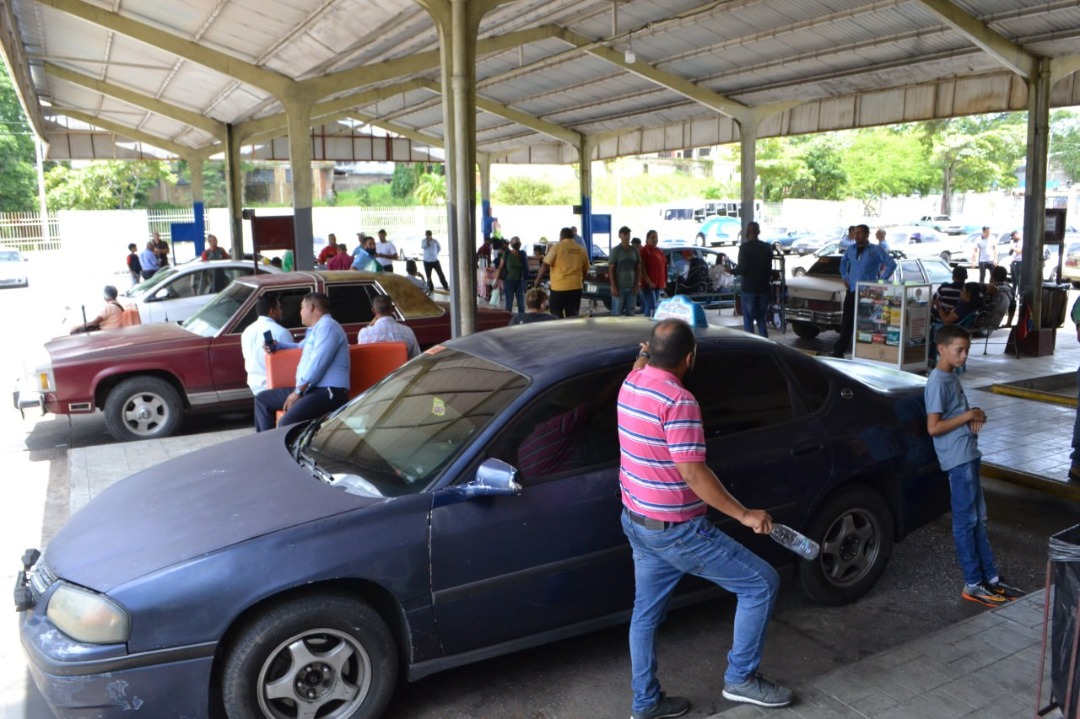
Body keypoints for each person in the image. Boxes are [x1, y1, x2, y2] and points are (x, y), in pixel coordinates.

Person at [618, 319, 793, 718]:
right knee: (761, 583)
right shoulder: (678, 401)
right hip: (677, 531)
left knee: (644, 616)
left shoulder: (632, 383)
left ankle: (646, 703)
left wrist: (643, 354)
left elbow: (638, 365)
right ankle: (741, 679)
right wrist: (745, 514)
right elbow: (694, 474)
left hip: (637, 521)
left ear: (651, 354)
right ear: (690, 358)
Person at [925, 324, 1023, 607]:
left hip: (968, 454)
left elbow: (960, 415)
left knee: (979, 520)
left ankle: (990, 579)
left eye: (967, 349)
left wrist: (974, 414)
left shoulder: (950, 376)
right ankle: (972, 582)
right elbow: (934, 427)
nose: (965, 355)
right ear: (942, 349)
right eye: (960, 350)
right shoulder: (937, 382)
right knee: (966, 522)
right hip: (958, 459)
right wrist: (969, 414)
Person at [253, 292, 350, 432]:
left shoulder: (328, 326)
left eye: (301, 307)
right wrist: (278, 345)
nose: (300, 312)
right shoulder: (317, 329)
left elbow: (318, 364)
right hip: (311, 389)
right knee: (262, 399)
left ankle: (285, 452)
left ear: (311, 307)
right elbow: (300, 346)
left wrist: (298, 392)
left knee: (286, 423)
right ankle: (266, 445)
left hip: (328, 391)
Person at [832, 224, 897, 357]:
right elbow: (843, 263)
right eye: (855, 233)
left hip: (868, 293)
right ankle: (838, 352)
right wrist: (844, 276)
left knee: (867, 323)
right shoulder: (850, 249)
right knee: (847, 322)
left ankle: (867, 353)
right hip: (852, 291)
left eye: (860, 233)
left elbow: (891, 264)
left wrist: (880, 282)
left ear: (867, 235)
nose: (856, 236)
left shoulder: (876, 250)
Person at [240, 295, 293, 394]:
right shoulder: (281, 332)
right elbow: (291, 366)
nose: (281, 312)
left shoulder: (247, 331)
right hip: (276, 388)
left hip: (255, 386)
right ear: (272, 311)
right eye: (279, 308)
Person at [534, 226, 591, 318]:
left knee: (556, 315)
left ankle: (560, 332)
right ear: (572, 237)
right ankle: (571, 331)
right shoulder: (581, 249)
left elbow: (545, 265)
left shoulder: (557, 247)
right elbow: (585, 269)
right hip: (576, 288)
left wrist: (537, 280)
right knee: (573, 316)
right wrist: (581, 282)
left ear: (561, 237)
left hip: (559, 288)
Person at [734, 222, 773, 338]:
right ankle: (765, 345)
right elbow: (769, 267)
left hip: (748, 289)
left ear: (747, 232)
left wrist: (730, 271)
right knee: (761, 319)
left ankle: (751, 346)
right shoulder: (767, 247)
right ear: (758, 232)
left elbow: (743, 269)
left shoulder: (744, 248)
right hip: (764, 288)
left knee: (748, 320)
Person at [358, 295, 421, 359]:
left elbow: (362, 359)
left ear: (373, 311)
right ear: (393, 309)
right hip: (401, 368)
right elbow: (416, 358)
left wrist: (369, 326)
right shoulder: (407, 331)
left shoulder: (364, 333)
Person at [609, 226, 642, 316]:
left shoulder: (634, 250)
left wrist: (637, 284)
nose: (627, 236)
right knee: (616, 312)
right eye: (624, 234)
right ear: (620, 236)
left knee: (631, 313)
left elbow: (638, 268)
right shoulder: (615, 251)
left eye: (628, 234)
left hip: (632, 288)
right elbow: (611, 269)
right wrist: (613, 286)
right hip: (619, 287)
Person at [497, 236, 529, 313]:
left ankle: (522, 321)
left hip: (520, 282)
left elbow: (526, 267)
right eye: (515, 242)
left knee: (521, 305)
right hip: (509, 282)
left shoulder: (522, 254)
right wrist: (496, 280)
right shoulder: (507, 253)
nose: (517, 243)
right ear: (511, 244)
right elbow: (500, 267)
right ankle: (508, 322)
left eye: (518, 242)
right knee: (509, 305)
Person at [639, 230, 667, 318]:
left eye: (656, 237)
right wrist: (648, 281)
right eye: (652, 237)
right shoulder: (644, 250)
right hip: (648, 285)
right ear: (647, 239)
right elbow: (642, 267)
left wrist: (664, 281)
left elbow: (664, 266)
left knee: (655, 307)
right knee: (651, 305)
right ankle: (646, 324)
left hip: (658, 285)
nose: (655, 239)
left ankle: (652, 323)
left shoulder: (659, 251)